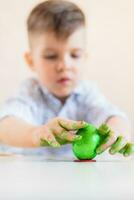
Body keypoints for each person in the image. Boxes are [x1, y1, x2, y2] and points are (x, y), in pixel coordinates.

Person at [0, 0, 133, 157]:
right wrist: (36, 134)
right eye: (51, 56)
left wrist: (117, 131)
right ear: (31, 61)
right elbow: (5, 124)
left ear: (84, 57)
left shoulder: (87, 93)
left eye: (75, 55)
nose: (64, 65)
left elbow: (111, 114)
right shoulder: (30, 92)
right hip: (32, 176)